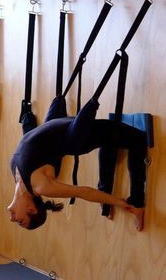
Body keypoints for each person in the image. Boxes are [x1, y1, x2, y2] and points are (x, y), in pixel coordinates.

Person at [8, 96, 147, 231]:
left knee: (109, 140)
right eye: (20, 221)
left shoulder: (15, 173)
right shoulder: (42, 186)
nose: (12, 220)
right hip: (78, 136)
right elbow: (84, 192)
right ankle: (137, 202)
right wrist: (121, 203)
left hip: (68, 126)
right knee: (139, 141)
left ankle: (107, 194)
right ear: (31, 209)